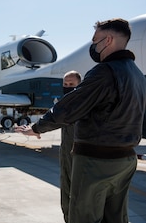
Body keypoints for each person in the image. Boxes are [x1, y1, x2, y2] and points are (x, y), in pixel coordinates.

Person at [16, 18, 146, 223]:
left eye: (95, 40)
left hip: (96, 162)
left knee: (84, 217)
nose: (93, 45)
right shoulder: (138, 75)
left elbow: (68, 109)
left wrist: (36, 127)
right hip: (126, 160)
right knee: (116, 218)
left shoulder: (104, 71)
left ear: (108, 40)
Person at [59, 70, 81, 223]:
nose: (67, 87)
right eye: (65, 84)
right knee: (65, 194)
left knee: (79, 197)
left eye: (71, 84)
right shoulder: (64, 104)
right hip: (65, 157)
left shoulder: (85, 105)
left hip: (80, 158)